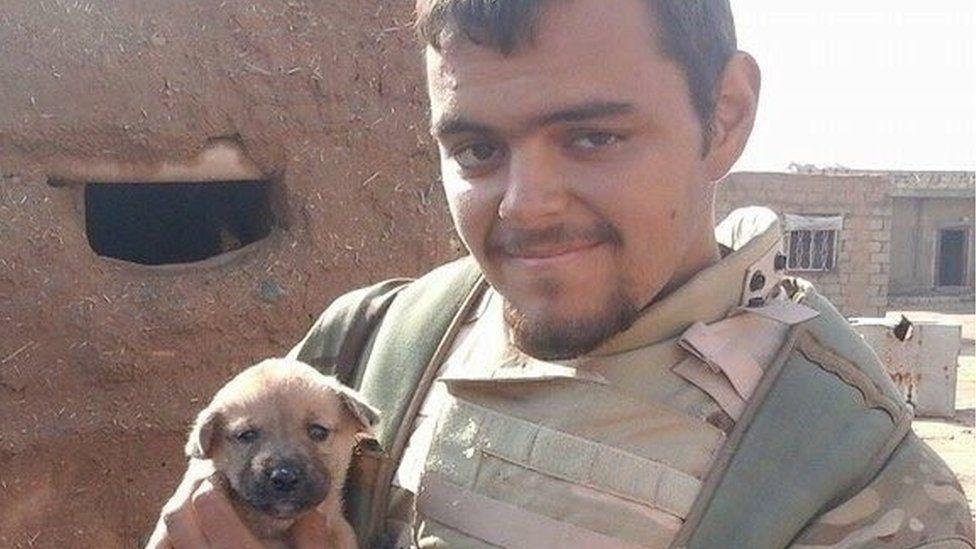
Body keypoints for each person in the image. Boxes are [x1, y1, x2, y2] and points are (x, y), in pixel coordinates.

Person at [149, 0, 974, 547]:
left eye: (593, 138)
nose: (525, 208)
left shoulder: (848, 473)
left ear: (723, 118)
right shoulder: (371, 344)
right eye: (477, 150)